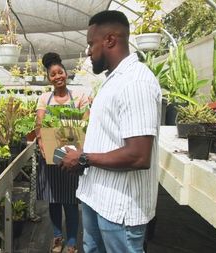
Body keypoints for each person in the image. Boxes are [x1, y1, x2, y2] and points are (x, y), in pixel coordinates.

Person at [61, 10, 161, 253]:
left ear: (110, 40)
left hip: (120, 210)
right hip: (98, 198)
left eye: (90, 44)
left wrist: (84, 158)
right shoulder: (114, 80)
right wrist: (84, 153)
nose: (88, 51)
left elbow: (138, 156)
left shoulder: (135, 82)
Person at [35, 52, 89, 253]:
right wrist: (41, 139)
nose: (57, 77)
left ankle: (73, 241)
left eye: (60, 73)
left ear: (66, 74)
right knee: (54, 199)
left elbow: (86, 123)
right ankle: (57, 237)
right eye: (53, 75)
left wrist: (82, 149)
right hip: (51, 156)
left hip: (73, 155)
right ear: (49, 78)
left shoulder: (79, 97)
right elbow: (40, 123)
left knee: (71, 201)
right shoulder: (44, 98)